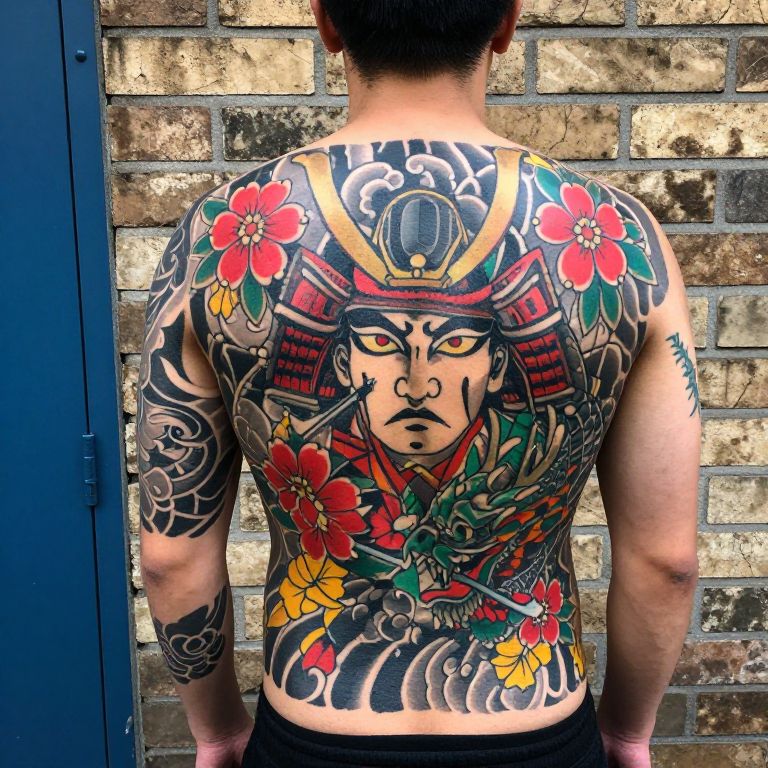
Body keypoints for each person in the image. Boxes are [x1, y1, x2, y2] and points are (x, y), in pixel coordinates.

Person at [136, 1, 701, 766]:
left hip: (312, 726)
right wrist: (627, 731)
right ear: (506, 22)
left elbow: (172, 558)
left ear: (325, 21)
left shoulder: (216, 236)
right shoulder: (620, 241)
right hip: (534, 720)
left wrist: (217, 730)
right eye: (375, 342)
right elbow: (666, 564)